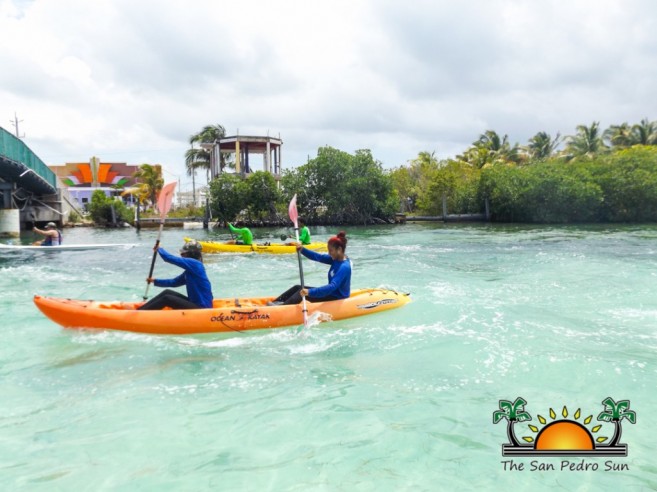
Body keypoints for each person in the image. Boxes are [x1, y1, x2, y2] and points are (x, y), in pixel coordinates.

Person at [270, 231, 351, 305]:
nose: (329, 253)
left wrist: (309, 292)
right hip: (331, 293)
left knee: (300, 293)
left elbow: (332, 287)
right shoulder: (335, 259)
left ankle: (279, 309)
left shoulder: (344, 267)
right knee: (298, 287)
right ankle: (276, 302)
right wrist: (302, 249)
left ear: (339, 250)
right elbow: (318, 257)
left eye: (331, 251)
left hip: (336, 297)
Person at [138, 240, 214, 310]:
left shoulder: (195, 264)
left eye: (184, 254)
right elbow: (174, 282)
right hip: (194, 303)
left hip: (202, 307)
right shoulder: (191, 271)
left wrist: (159, 249)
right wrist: (155, 281)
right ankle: (141, 310)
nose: (182, 256)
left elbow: (169, 258)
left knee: (167, 298)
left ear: (191, 253)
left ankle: (140, 314)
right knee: (167, 292)